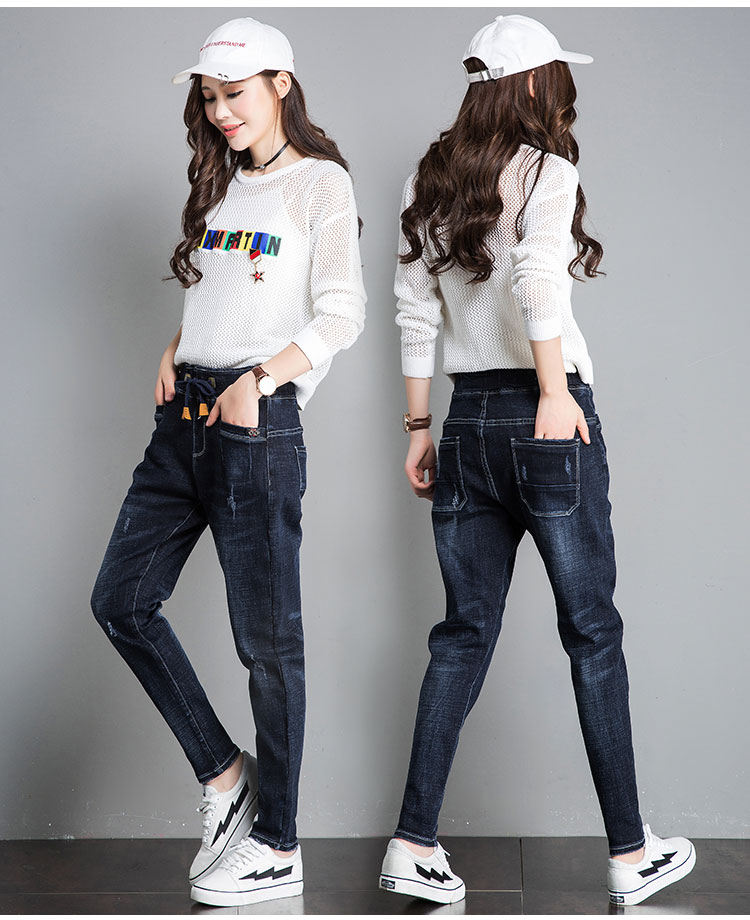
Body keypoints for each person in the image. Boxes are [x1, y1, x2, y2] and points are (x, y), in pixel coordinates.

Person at [378, 14, 695, 907]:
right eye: (556, 75)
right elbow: (538, 279)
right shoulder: (548, 170)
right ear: (528, 83)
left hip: (466, 418)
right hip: (543, 413)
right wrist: (555, 393)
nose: (564, 90)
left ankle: (412, 843)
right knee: (592, 631)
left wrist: (418, 428)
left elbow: (415, 309)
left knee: (462, 635)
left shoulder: (428, 178)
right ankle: (630, 855)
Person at [90, 16, 366, 908]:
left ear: (282, 84)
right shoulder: (220, 183)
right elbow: (223, 295)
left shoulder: (320, 184)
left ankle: (279, 842)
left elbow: (341, 312)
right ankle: (224, 774)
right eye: (209, 99)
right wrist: (177, 347)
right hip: (184, 419)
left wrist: (261, 379)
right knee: (121, 600)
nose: (219, 113)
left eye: (234, 95)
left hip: (255, 423)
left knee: (267, 647)